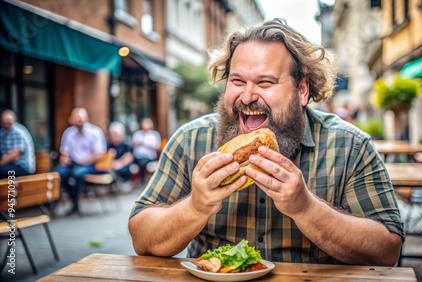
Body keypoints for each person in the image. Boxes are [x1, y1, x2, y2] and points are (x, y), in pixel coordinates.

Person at [128, 19, 404, 266]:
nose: (247, 96)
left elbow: (386, 251)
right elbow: (142, 239)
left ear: (302, 90)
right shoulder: (190, 141)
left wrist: (305, 208)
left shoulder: (350, 146)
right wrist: (195, 207)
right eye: (237, 80)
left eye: (265, 82)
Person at [54, 107, 107, 215]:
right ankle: (74, 199)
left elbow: (100, 155)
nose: (79, 119)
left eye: (81, 117)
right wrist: (64, 159)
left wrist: (82, 161)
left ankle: (75, 203)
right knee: (58, 172)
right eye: (76, 117)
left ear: (87, 118)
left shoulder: (95, 132)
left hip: (90, 165)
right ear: (71, 119)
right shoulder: (68, 133)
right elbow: (64, 154)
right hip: (73, 164)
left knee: (77, 173)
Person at [0, 110, 35, 178]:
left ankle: (11, 188)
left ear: (14, 120)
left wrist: (0, 163)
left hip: (23, 168)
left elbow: (14, 155)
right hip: (9, 166)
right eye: (4, 120)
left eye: (8, 120)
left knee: (2, 170)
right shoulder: (2, 133)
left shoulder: (18, 131)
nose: (6, 122)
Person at [132, 118, 161, 184]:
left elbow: (158, 147)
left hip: (150, 157)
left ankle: (144, 179)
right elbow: (133, 144)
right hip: (138, 157)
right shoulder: (137, 134)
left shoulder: (154, 135)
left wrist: (147, 145)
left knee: (143, 163)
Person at [107, 121, 134, 190]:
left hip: (123, 165)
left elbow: (129, 156)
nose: (115, 136)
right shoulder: (108, 144)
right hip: (111, 166)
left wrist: (119, 163)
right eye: (114, 134)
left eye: (117, 134)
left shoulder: (126, 143)